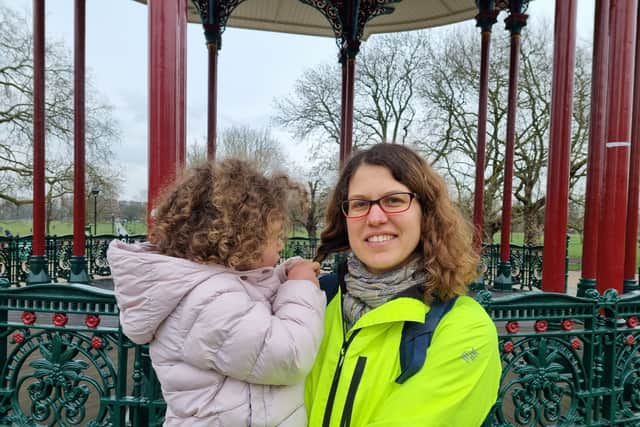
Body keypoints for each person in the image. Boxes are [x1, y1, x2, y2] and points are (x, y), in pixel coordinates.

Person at [107, 159, 326, 426]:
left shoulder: (212, 288)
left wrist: (285, 275)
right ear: (239, 239)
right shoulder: (205, 301)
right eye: (275, 235)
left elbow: (251, 309)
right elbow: (288, 355)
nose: (282, 244)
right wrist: (300, 287)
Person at [305, 144, 501, 427]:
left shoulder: (463, 328)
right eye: (360, 204)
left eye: (394, 200)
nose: (375, 218)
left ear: (426, 212)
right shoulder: (314, 301)